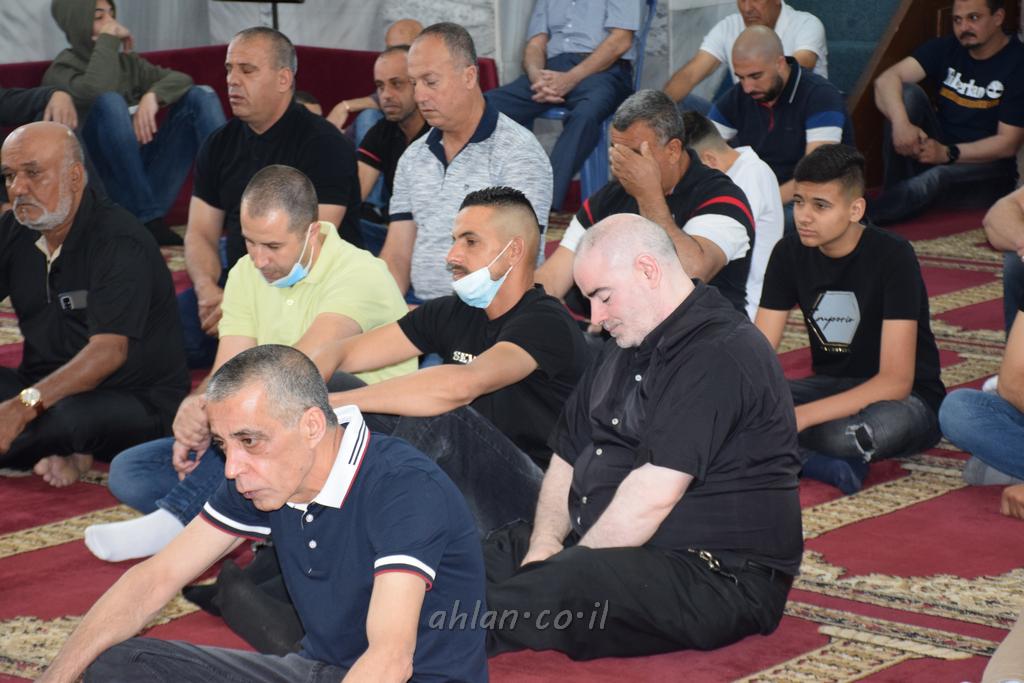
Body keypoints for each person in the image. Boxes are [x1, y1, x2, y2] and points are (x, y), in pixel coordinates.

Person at [38, 345, 488, 683]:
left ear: (311, 425)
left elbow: (390, 659)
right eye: (223, 445)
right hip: (319, 671)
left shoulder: (402, 486)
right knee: (115, 664)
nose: (232, 467)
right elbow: (155, 578)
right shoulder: (260, 479)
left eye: (249, 441)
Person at [485, 213, 802, 659]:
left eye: (603, 297)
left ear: (648, 271)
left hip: (713, 573)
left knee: (566, 587)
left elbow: (652, 496)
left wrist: (561, 569)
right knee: (488, 554)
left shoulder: (720, 353)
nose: (596, 318)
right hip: (612, 545)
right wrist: (544, 545)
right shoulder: (625, 344)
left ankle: (418, 646)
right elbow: (568, 453)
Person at [85, 165, 415, 562]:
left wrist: (224, 422)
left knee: (291, 397)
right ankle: (265, 519)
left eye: (272, 246)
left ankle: (181, 519)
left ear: (312, 233)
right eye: (249, 242)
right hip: (272, 433)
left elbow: (298, 371)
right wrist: (199, 408)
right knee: (132, 470)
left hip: (358, 436)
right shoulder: (245, 272)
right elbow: (228, 368)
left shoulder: (358, 273)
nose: (259, 259)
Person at [333, 186, 587, 533]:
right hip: (466, 477)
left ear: (513, 251)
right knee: (330, 382)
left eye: (470, 242)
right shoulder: (454, 312)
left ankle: (355, 532)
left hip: (537, 499)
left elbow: (462, 385)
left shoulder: (546, 323)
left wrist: (340, 403)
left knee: (440, 413)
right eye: (454, 241)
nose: (451, 255)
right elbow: (345, 352)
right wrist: (287, 384)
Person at [0, 121, 188, 487]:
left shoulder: (118, 241)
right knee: (47, 416)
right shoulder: (16, 230)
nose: (18, 188)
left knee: (70, 421)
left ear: (74, 176)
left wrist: (22, 408)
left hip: (131, 398)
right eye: (9, 176)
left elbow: (107, 354)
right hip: (43, 386)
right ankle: (55, 449)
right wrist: (27, 402)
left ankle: (57, 443)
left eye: (33, 174)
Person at [755, 144, 945, 494]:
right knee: (739, 404)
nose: (804, 216)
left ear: (855, 209)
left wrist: (801, 417)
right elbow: (757, 354)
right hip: (830, 385)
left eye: (820, 206)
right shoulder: (788, 253)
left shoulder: (893, 256)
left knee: (866, 432)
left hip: (905, 400)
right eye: (798, 202)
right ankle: (813, 458)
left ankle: (788, 448)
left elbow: (895, 382)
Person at [181, 26, 362, 369]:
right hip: (236, 286)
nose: (232, 80)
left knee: (274, 367)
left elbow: (312, 246)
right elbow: (200, 232)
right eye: (229, 69)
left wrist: (241, 306)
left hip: (308, 289)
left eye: (247, 70)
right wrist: (207, 289)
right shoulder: (219, 144)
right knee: (160, 338)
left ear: (283, 79)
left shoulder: (324, 144)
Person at [536, 89, 754, 313]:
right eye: (616, 150)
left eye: (634, 153)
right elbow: (554, 277)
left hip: (704, 329)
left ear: (673, 150)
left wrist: (648, 196)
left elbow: (691, 275)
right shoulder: (608, 199)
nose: (621, 162)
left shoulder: (721, 197)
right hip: (624, 329)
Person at [383, 22, 552, 303]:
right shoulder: (414, 157)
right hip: (418, 307)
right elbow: (396, 254)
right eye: (414, 83)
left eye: (430, 81)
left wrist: (436, 319)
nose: (420, 96)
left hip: (486, 311)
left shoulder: (518, 153)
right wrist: (385, 310)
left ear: (469, 76)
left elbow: (515, 265)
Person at [43, 0, 226, 246]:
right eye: (99, 17)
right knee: (110, 102)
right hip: (107, 195)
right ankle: (147, 219)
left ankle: (231, 200)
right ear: (78, 23)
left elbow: (181, 79)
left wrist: (153, 96)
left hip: (148, 187)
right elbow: (96, 89)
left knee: (200, 95)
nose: (111, 22)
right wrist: (109, 40)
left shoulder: (127, 64)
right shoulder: (61, 70)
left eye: (112, 14)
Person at [871, 0, 1024, 226]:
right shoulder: (947, 47)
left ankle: (865, 217)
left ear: (998, 17)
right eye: (957, 20)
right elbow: (885, 80)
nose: (964, 27)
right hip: (936, 148)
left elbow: (1007, 144)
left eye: (974, 18)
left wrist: (948, 153)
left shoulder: (1018, 63)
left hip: (987, 170)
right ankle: (896, 193)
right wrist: (902, 124)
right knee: (906, 94)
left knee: (936, 178)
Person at [485, 0, 642, 210]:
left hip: (603, 70)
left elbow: (621, 40)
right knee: (484, 106)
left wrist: (570, 79)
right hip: (551, 70)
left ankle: (541, 203)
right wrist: (536, 76)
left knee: (585, 115)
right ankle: (470, 193)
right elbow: (535, 44)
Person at [709, 25, 851, 234]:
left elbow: (815, 174)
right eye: (741, 77)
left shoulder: (821, 96)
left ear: (780, 63)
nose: (747, 87)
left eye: (755, 76)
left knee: (742, 227)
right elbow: (703, 146)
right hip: (762, 197)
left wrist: (758, 204)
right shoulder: (739, 95)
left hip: (812, 197)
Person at [684, 109, 784, 320]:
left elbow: (709, 255)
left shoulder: (751, 175)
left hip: (747, 307)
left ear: (709, 160)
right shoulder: (736, 170)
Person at [664, 0, 827, 114]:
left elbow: (798, 68)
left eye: (755, 0)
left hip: (794, 117)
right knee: (672, 103)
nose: (747, 8)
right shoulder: (728, 26)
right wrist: (653, 116)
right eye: (742, 0)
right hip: (743, 117)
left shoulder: (807, 24)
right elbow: (690, 75)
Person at [355, 45, 429, 255]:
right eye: (380, 86)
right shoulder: (383, 130)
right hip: (395, 234)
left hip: (434, 239)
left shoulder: (440, 132)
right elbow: (354, 195)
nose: (386, 95)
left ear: (418, 84)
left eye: (396, 84)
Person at [326, 18, 423, 142]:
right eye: (388, 48)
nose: (386, 94)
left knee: (369, 116)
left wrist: (346, 106)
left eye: (402, 48)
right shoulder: (384, 69)